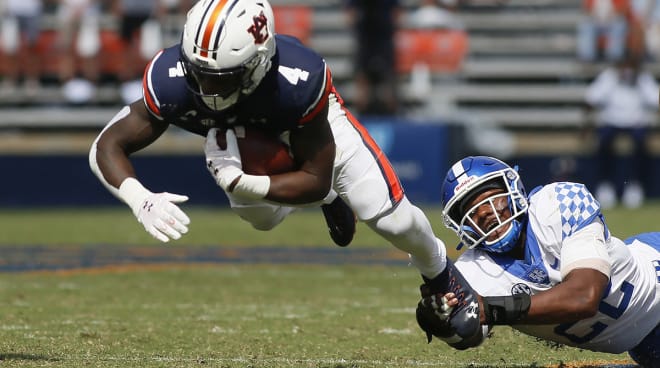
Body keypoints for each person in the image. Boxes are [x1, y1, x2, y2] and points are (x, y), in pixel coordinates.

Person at [88, 0, 477, 313]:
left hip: (308, 133)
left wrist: (243, 181)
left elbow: (316, 176)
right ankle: (329, 205)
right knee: (261, 220)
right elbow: (107, 144)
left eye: (220, 78)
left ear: (258, 63)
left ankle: (441, 273)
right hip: (247, 144)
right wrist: (139, 199)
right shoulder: (171, 79)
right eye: (198, 73)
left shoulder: (296, 82)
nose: (205, 89)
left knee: (395, 222)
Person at [416, 155, 659, 368]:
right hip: (645, 340)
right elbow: (468, 333)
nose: (484, 214)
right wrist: (442, 324)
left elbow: (584, 296)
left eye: (491, 199)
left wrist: (489, 310)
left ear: (513, 189)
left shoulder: (557, 203)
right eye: (470, 213)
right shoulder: (473, 270)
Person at [584, 48, 658, 209]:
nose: (627, 69)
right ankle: (605, 186)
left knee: (640, 144)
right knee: (603, 142)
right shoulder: (609, 78)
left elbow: (655, 99)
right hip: (611, 123)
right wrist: (586, 126)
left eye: (631, 66)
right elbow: (591, 99)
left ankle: (634, 186)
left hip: (636, 125)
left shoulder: (643, 79)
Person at [343, 0, 401, 116]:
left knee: (388, 80)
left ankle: (391, 113)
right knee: (362, 79)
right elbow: (350, 13)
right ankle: (361, 113)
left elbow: (397, 12)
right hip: (365, 40)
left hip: (384, 39)